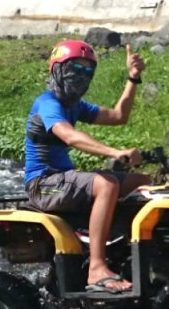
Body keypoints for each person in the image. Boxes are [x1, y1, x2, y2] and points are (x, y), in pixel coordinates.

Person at [24, 39, 152, 292]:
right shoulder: (48, 104)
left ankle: (129, 249)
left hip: (64, 180)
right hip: (43, 186)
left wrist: (133, 78)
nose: (81, 76)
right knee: (106, 183)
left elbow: (118, 116)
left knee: (143, 182)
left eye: (87, 71)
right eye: (76, 68)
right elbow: (69, 136)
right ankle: (96, 267)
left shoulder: (76, 106)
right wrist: (115, 152)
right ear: (58, 69)